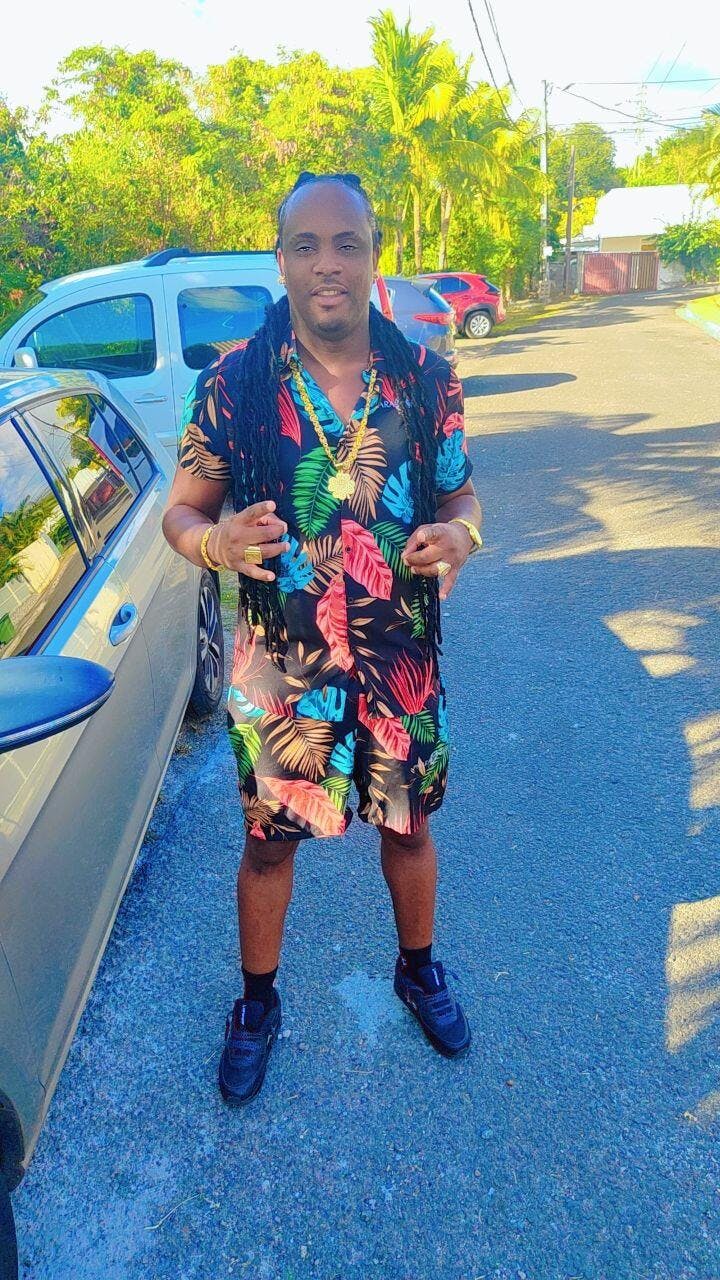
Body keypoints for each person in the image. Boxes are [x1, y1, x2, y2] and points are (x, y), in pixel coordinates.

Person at [162, 171, 484, 1106]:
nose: (327, 264)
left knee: (410, 829)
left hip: (399, 664)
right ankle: (257, 1004)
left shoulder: (426, 379)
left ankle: (417, 970)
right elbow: (182, 512)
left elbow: (462, 495)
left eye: (347, 243)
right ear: (282, 261)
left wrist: (463, 535)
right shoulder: (232, 385)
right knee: (269, 848)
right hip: (284, 673)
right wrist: (215, 542)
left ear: (374, 254)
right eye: (306, 246)